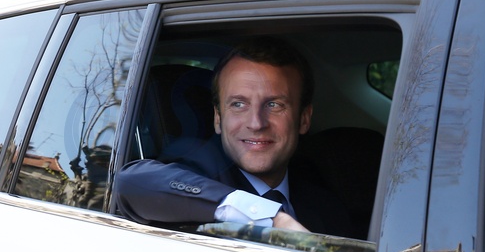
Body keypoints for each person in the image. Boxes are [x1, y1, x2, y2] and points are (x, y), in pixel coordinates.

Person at [114, 37, 352, 235]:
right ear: (218, 118)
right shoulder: (198, 175)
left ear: (304, 119)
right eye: (239, 104)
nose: (256, 123)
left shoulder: (327, 206)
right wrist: (268, 217)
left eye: (274, 105)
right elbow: (130, 183)